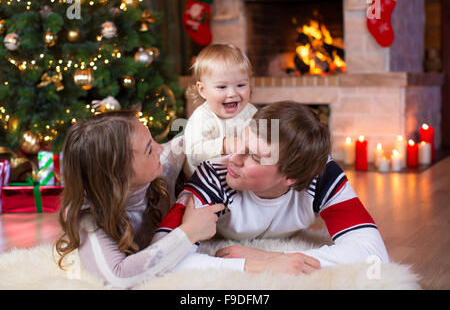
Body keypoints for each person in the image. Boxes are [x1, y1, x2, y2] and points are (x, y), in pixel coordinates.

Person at [153, 101, 389, 273]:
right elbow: (161, 258)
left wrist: (272, 257)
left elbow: (374, 255)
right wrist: (252, 266)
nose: (234, 158)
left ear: (290, 178)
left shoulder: (322, 173)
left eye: (254, 156)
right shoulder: (214, 175)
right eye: (241, 141)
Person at [54, 110, 226, 289]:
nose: (160, 148)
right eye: (149, 149)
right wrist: (189, 232)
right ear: (117, 174)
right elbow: (117, 278)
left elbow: (186, 145)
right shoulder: (88, 217)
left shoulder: (163, 163)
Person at [183, 43, 258, 176]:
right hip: (204, 180)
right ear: (203, 90)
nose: (232, 94)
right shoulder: (201, 117)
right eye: (222, 87)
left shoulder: (250, 112)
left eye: (241, 85)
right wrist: (224, 145)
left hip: (238, 176)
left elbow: (262, 140)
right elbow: (194, 154)